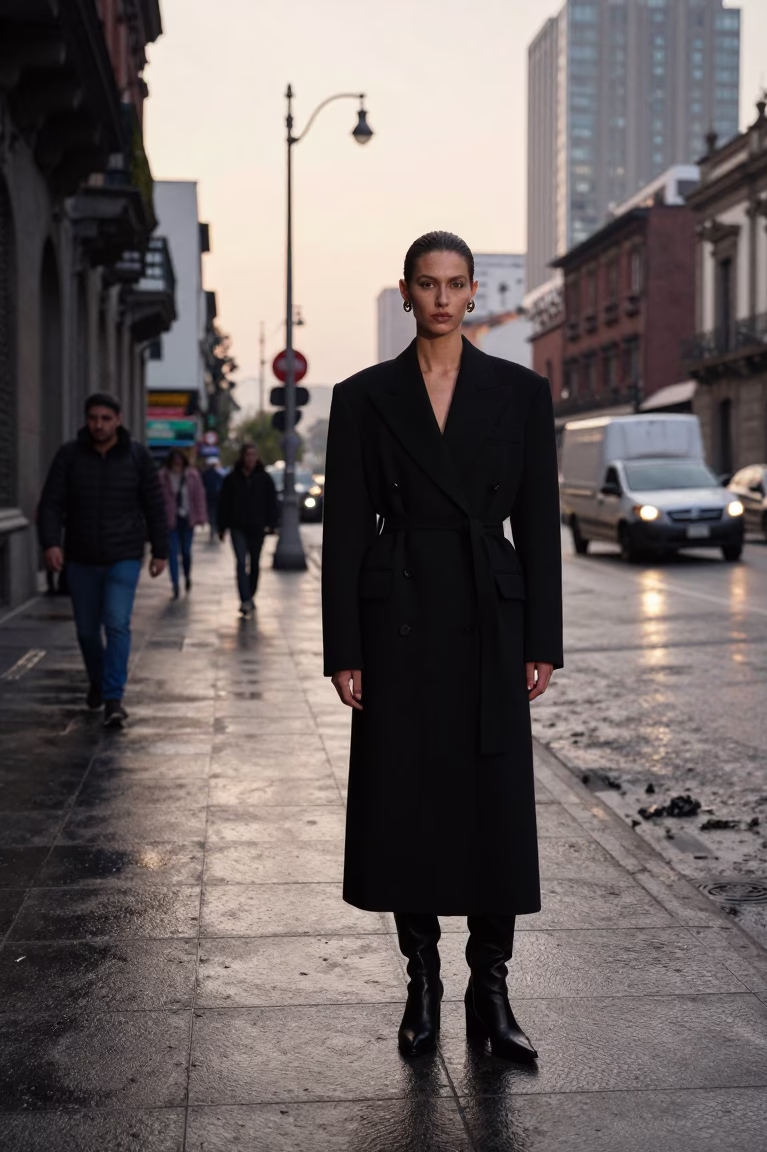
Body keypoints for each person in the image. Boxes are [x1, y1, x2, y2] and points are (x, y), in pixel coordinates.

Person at [322, 232, 563, 1063]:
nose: (442, 299)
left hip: (491, 615)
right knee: (406, 797)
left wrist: (544, 638)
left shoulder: (521, 394)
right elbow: (348, 530)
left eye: (456, 285)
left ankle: (489, 990)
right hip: (400, 618)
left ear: (470, 295)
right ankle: (421, 980)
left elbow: (536, 523)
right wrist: (344, 648)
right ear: (406, 293)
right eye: (427, 285)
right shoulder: (361, 399)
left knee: (494, 797)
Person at [38, 392, 168, 728]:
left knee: (116, 622)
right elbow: (51, 503)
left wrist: (161, 551)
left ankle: (113, 697)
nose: (99, 425)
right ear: (86, 420)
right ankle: (97, 680)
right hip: (80, 557)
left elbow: (155, 505)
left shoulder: (137, 456)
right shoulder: (69, 455)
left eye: (105, 419)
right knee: (85, 631)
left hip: (124, 555)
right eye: (93, 418)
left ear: (118, 420)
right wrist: (51, 543)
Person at [217, 443, 278, 616]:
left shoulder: (264, 478)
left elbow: (271, 503)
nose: (250, 458)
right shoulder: (232, 478)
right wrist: (222, 527)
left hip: (258, 528)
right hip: (238, 527)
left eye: (253, 454)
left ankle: (250, 595)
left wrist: (271, 524)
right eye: (247, 454)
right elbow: (224, 504)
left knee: (255, 563)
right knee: (241, 563)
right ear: (242, 456)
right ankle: (245, 599)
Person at [159, 449, 207, 598]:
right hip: (170, 519)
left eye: (180, 458)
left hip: (187, 518)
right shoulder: (163, 476)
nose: (177, 462)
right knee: (172, 553)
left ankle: (186, 576)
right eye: (175, 459)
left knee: (186, 551)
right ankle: (175, 584)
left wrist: (201, 516)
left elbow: (199, 496)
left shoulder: (192, 475)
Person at [201, 458, 224, 542]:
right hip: (213, 498)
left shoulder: (206, 474)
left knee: (212, 515)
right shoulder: (218, 474)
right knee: (214, 514)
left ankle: (213, 528)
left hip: (211, 498)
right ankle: (214, 528)